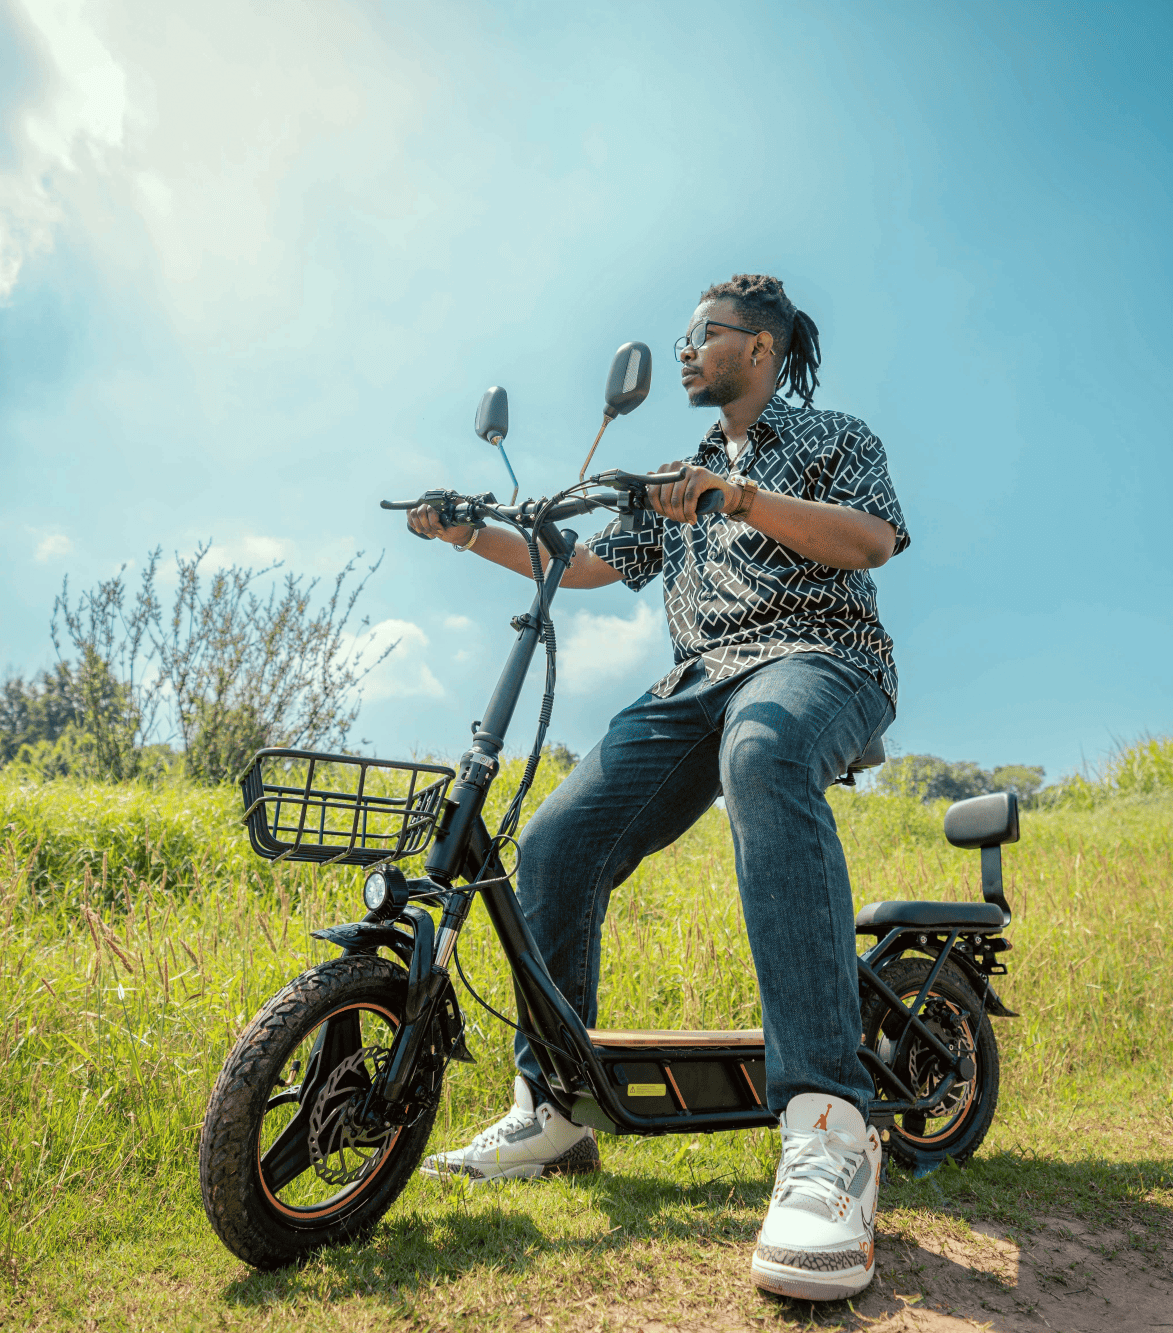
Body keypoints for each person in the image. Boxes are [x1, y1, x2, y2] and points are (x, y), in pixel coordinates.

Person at [403, 273, 908, 1301]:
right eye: (680, 340)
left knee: (762, 754)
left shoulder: (833, 438)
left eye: (704, 336)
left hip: (816, 659)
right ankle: (550, 1111)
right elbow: (581, 567)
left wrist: (740, 496)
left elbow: (870, 542)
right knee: (551, 841)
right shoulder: (671, 475)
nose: (684, 352)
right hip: (696, 679)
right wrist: (466, 530)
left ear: (760, 348)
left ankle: (828, 1126)